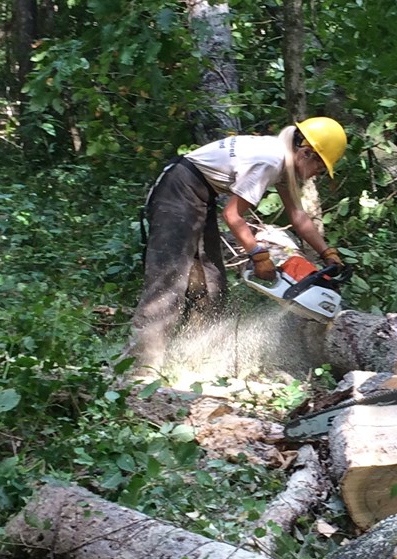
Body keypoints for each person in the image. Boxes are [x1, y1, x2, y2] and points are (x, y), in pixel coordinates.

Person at [125, 117, 348, 378]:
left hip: (200, 197)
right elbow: (232, 215)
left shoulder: (284, 163)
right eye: (319, 168)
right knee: (169, 280)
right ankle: (140, 370)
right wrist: (258, 254)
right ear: (306, 152)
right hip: (178, 189)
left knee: (212, 284)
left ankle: (194, 360)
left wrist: (327, 253)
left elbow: (297, 216)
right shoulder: (271, 160)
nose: (316, 175)